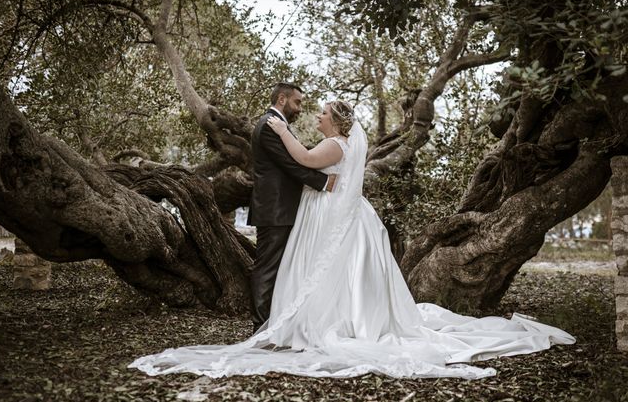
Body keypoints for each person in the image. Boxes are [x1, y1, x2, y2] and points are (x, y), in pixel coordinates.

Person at [129, 101, 574, 380]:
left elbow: (303, 158)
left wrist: (278, 128)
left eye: (322, 113)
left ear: (337, 122)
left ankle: (328, 324)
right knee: (340, 273)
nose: (317, 116)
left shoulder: (337, 146)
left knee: (332, 270)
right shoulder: (340, 144)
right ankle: (329, 317)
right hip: (335, 212)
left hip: (332, 215)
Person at [247, 83, 337, 334]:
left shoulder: (277, 125)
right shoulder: (268, 125)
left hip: (281, 208)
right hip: (275, 209)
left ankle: (271, 322)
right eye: (297, 102)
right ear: (282, 99)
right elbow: (289, 165)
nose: (300, 108)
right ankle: (260, 326)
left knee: (277, 266)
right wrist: (322, 182)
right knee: (267, 267)